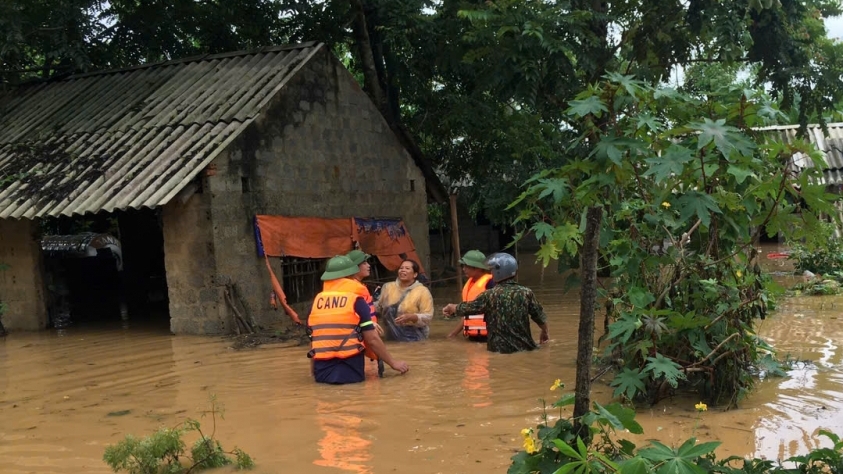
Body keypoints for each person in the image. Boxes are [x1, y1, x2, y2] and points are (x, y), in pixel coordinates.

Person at [308, 255, 409, 384]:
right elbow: (372, 339)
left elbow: (313, 340)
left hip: (322, 371)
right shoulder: (356, 301)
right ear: (350, 275)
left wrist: (313, 372)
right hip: (350, 368)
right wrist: (393, 363)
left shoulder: (316, 303)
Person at [443, 253, 549, 354]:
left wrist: (451, 307)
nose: (491, 272)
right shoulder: (526, 293)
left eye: (492, 270)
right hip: (526, 348)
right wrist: (545, 331)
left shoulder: (489, 295)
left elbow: (467, 308)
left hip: (498, 350)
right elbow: (539, 316)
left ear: (497, 272)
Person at [443, 250, 496, 341]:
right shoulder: (470, 284)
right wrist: (453, 333)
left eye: (467, 266)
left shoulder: (491, 283)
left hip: (488, 337)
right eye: (463, 266)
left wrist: (455, 308)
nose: (464, 269)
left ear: (478, 268)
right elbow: (468, 314)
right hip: (473, 336)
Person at [376, 259, 434, 342]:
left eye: (407, 268)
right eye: (401, 268)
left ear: (415, 274)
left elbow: (428, 317)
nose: (403, 270)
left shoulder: (422, 291)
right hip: (390, 335)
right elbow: (378, 307)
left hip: (414, 337)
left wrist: (412, 317)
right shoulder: (388, 287)